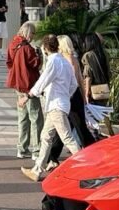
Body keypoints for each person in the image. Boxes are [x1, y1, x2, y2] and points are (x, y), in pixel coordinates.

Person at [20, 33, 81, 182]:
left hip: (56, 104)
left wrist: (28, 96)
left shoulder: (53, 61)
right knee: (46, 136)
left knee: (67, 138)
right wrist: (66, 94)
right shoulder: (64, 62)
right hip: (61, 103)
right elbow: (74, 84)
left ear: (45, 48)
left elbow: (43, 80)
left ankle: (86, 166)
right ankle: (37, 169)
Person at [48, 34, 95, 165]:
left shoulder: (65, 60)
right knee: (68, 126)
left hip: (70, 96)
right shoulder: (73, 58)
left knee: (74, 126)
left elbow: (73, 80)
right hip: (74, 96)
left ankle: (89, 151)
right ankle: (52, 156)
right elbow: (79, 79)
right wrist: (84, 95)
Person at [6, 22, 43, 160]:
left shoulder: (12, 44)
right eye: (33, 33)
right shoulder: (27, 48)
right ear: (28, 33)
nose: (33, 36)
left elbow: (9, 62)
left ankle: (22, 148)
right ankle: (37, 150)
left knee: (23, 117)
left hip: (17, 84)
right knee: (36, 117)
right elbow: (36, 64)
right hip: (29, 85)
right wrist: (39, 54)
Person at [81, 32, 111, 103]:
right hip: (104, 89)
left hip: (93, 91)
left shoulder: (88, 56)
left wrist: (86, 93)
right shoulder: (104, 54)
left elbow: (88, 76)